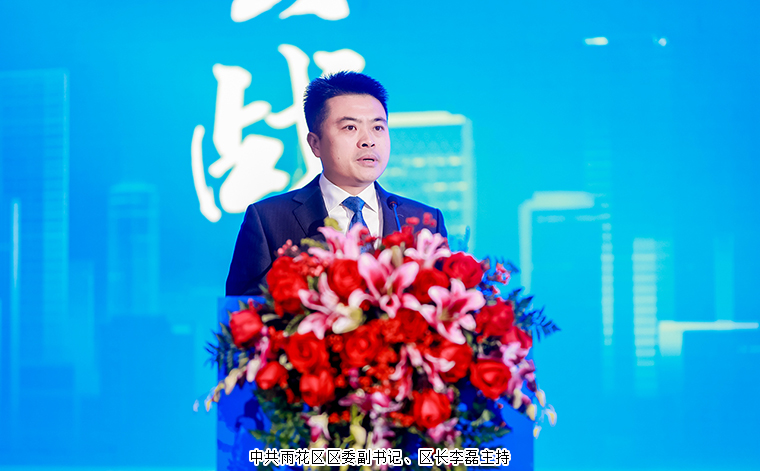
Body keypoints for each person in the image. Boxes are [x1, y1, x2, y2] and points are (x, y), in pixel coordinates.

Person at [226, 71, 448, 296]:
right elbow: (241, 309)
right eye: (350, 127)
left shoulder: (425, 222)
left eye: (378, 128)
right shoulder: (268, 220)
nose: (368, 141)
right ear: (315, 144)